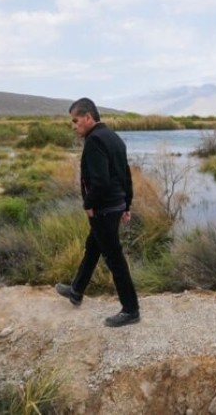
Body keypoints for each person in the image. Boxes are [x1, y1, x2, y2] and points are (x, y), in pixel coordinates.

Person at [55, 98, 141, 328]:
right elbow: (125, 176)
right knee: (93, 248)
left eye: (75, 121)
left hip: (103, 209)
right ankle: (76, 290)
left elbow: (100, 182)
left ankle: (131, 310)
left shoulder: (94, 140)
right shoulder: (114, 138)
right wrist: (127, 205)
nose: (74, 126)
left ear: (88, 117)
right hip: (115, 206)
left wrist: (88, 204)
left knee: (115, 259)